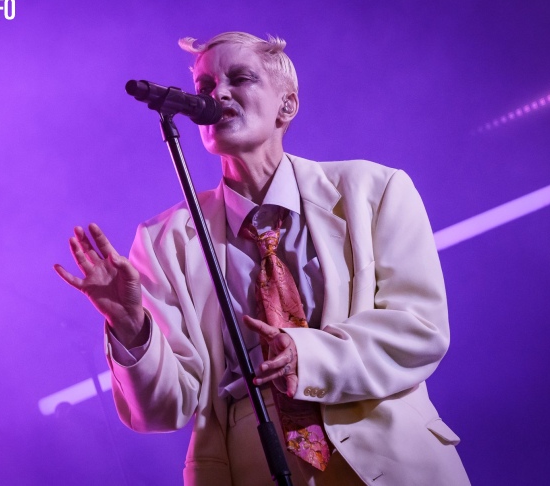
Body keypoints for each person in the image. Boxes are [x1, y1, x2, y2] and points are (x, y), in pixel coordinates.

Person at [55, 32, 470, 486]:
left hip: (389, 456)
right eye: (206, 86)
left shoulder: (374, 191)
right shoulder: (162, 241)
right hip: (252, 462)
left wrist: (304, 354)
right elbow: (164, 409)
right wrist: (132, 329)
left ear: (287, 105)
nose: (219, 94)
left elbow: (420, 329)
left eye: (241, 78)